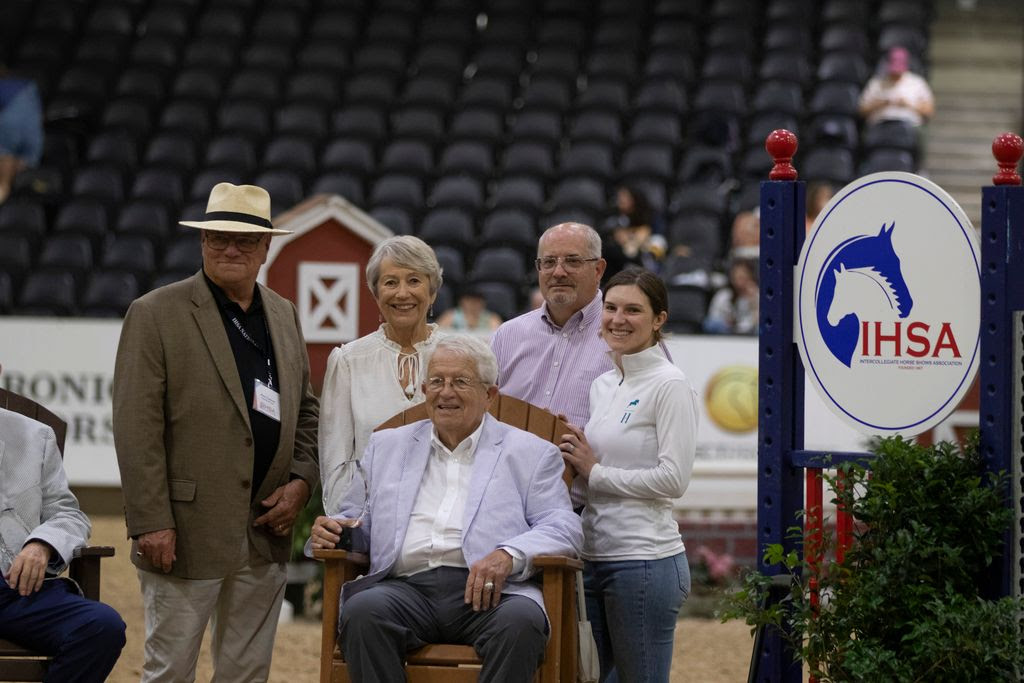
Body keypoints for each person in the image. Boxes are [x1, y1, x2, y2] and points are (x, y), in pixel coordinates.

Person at [112, 182, 320, 683]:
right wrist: (150, 521)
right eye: (218, 237)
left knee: (247, 673)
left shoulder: (284, 314)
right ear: (201, 242)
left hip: (263, 530)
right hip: (184, 531)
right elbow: (135, 426)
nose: (230, 248)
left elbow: (306, 411)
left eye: (245, 241)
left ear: (267, 249)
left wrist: (300, 481)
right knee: (170, 670)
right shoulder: (155, 313)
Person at [309, 335, 583, 683]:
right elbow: (356, 519)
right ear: (424, 390)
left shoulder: (530, 453)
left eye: (460, 381)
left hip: (491, 593)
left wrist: (509, 555)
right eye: (436, 381)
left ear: (490, 395)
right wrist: (336, 531)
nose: (446, 392)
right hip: (405, 588)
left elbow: (564, 527)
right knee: (363, 613)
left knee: (521, 622)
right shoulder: (387, 446)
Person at [560, 267, 699, 683]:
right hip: (592, 556)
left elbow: (673, 480)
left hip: (644, 559)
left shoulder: (670, 385)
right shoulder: (603, 384)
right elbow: (594, 470)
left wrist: (594, 471)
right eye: (611, 308)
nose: (618, 319)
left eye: (633, 310)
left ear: (659, 320)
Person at [0, 365, 126, 683]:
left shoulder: (35, 436)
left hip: (17, 590)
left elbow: (68, 514)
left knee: (102, 626)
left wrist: (42, 543)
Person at [319, 235, 446, 514]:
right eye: (390, 282)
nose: (402, 293)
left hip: (445, 524)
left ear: (432, 291)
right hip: (369, 523)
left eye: (414, 281)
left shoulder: (460, 358)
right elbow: (336, 462)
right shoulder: (348, 361)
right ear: (376, 294)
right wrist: (350, 528)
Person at [491, 222, 612, 430]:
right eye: (548, 262)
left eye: (572, 261)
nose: (558, 272)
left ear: (598, 270)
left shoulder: (625, 337)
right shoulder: (507, 335)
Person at [858, 46, 935, 129]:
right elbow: (862, 111)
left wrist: (908, 104)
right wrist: (880, 104)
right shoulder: (876, 83)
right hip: (880, 126)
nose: (896, 73)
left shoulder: (917, 82)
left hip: (908, 126)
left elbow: (929, 111)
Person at [0, 64, 44, 204]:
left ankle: (4, 188)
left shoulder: (9, 88)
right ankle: (11, 190)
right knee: (23, 159)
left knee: (6, 152)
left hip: (17, 120)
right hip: (32, 126)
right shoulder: (24, 85)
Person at [703, 259, 760, 335]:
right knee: (710, 323)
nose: (739, 281)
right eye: (736, 276)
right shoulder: (724, 294)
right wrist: (726, 321)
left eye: (742, 277)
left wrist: (753, 301)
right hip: (728, 330)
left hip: (749, 330)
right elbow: (713, 317)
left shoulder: (756, 294)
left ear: (750, 276)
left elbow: (760, 320)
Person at [437, 285, 502, 332]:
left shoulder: (492, 318)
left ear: (483, 302)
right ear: (462, 301)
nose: (474, 304)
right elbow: (439, 335)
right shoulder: (450, 316)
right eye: (470, 301)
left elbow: (496, 337)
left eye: (477, 301)